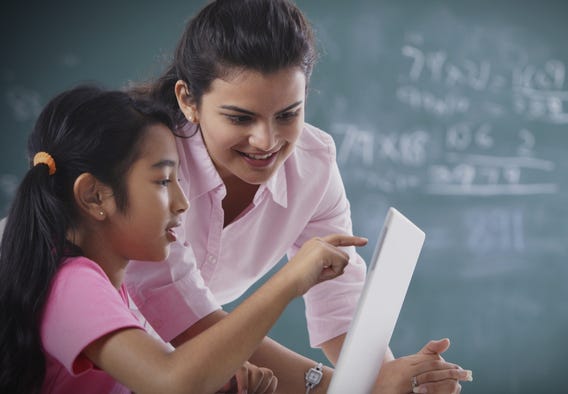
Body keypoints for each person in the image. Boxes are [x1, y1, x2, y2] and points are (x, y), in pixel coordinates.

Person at [127, 0, 472, 392]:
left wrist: (391, 382)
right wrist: (348, 389)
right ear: (188, 100)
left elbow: (340, 304)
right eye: (240, 118)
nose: (267, 141)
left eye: (288, 114)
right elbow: (185, 324)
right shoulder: (149, 167)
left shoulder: (314, 166)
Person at [0, 85, 369, 394]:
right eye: (163, 181)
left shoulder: (111, 290)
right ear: (95, 196)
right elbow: (170, 379)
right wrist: (289, 282)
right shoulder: (72, 283)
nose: (183, 201)